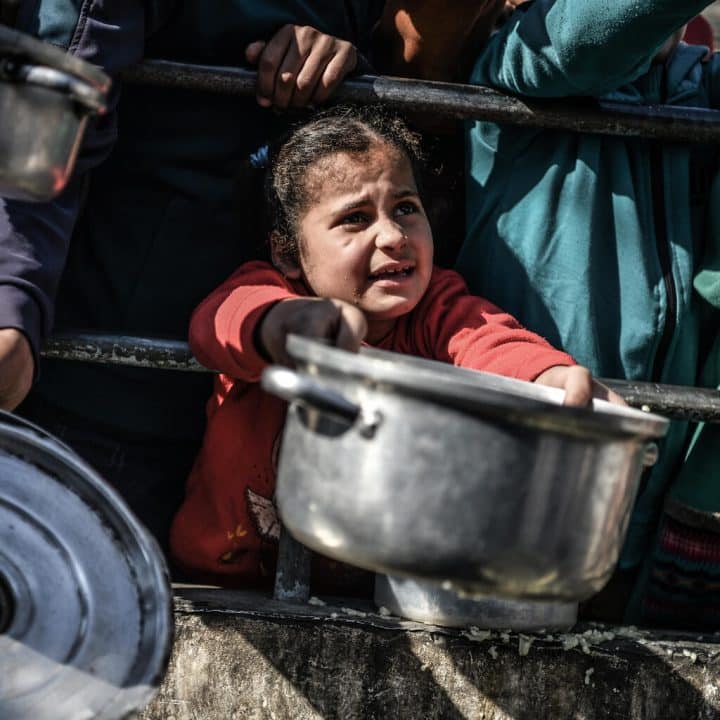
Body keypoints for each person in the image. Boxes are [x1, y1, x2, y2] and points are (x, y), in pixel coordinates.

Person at [169, 105, 622, 588]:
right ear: (286, 252)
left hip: (370, 594)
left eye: (405, 208)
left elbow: (491, 340)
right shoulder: (270, 293)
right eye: (355, 218)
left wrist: (551, 380)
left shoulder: (436, 308)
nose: (392, 236)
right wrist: (286, 326)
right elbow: (217, 323)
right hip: (222, 582)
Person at [376, 0, 720, 625]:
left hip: (651, 488)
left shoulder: (700, 84)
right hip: (524, 470)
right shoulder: (521, 56)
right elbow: (598, 34)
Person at [0, 1, 385, 552]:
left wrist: (348, 69)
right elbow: (50, 99)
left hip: (257, 419)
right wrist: (12, 302)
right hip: (97, 385)